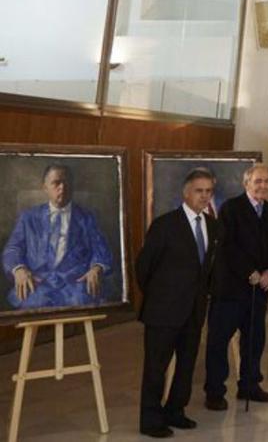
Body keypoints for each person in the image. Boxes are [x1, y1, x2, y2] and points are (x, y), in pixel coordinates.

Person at [136, 168, 219, 438]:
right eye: (199, 191)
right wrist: (161, 296)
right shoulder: (164, 225)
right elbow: (144, 268)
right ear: (186, 193)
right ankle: (150, 420)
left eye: (208, 191)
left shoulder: (213, 225)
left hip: (194, 311)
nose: (204, 196)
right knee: (155, 368)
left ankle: (175, 411)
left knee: (186, 365)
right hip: (163, 311)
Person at [203, 163, 268, 410]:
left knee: (254, 340)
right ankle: (215, 392)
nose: (263, 186)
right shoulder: (231, 208)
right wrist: (251, 272)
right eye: (258, 181)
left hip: (259, 290)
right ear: (246, 183)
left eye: (267, 181)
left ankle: (249, 385)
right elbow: (227, 247)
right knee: (219, 341)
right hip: (230, 289)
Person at [3, 163, 114, 309]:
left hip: (76, 284)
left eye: (66, 183)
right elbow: (12, 249)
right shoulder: (29, 217)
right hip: (38, 283)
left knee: (83, 302)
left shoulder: (87, 217)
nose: (62, 187)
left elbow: (101, 248)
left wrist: (97, 268)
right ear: (45, 187)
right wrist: (18, 269)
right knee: (30, 302)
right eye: (56, 183)